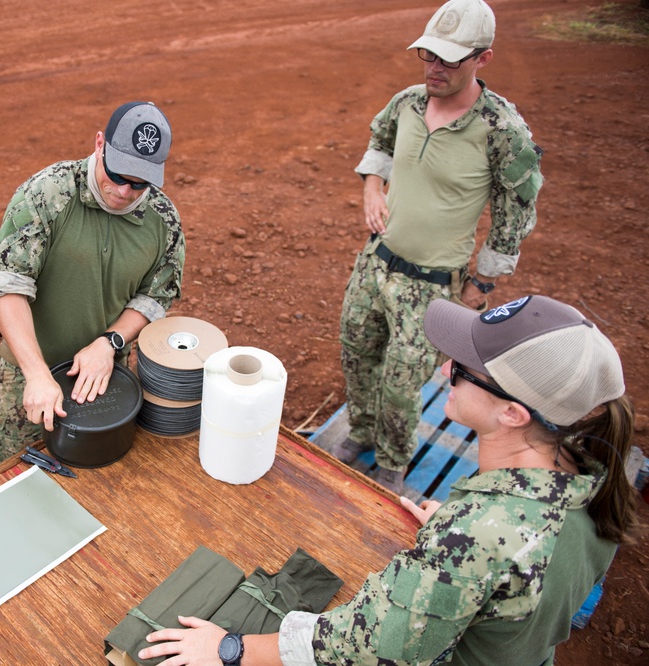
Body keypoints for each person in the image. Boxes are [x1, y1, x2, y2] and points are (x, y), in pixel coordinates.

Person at [139, 294, 638, 665]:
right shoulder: (588, 474)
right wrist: (471, 547)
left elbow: (375, 644)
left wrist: (230, 648)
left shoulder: (484, 532)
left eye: (464, 369)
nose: (444, 369)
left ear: (512, 413)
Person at [332, 0, 545, 493]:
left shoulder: (503, 132)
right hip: (375, 264)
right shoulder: (407, 101)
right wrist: (371, 185)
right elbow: (380, 140)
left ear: (483, 59)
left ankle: (391, 463)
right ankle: (361, 432)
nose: (435, 69)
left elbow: (515, 216)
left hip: (432, 284)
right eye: (429, 55)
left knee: (402, 384)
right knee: (357, 352)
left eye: (450, 60)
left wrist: (482, 284)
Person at [0, 101, 185, 465]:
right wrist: (37, 374)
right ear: (99, 145)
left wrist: (110, 342)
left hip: (105, 376)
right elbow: (9, 285)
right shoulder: (47, 193)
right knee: (10, 465)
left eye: (139, 183)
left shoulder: (163, 219)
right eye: (118, 174)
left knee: (100, 473)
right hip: (30, 370)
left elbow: (156, 295)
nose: (124, 191)